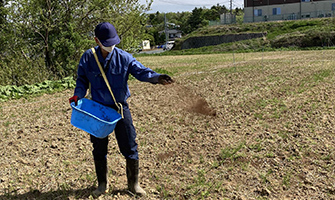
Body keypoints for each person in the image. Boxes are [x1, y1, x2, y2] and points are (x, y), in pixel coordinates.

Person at [69, 22, 173, 197]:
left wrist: (157, 77)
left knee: (130, 145)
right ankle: (102, 184)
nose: (110, 46)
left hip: (119, 109)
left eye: (113, 43)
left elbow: (141, 71)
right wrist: (77, 95)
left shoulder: (124, 57)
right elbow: (81, 80)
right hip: (98, 111)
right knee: (99, 147)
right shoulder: (88, 58)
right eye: (106, 43)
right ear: (97, 40)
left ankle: (134, 185)